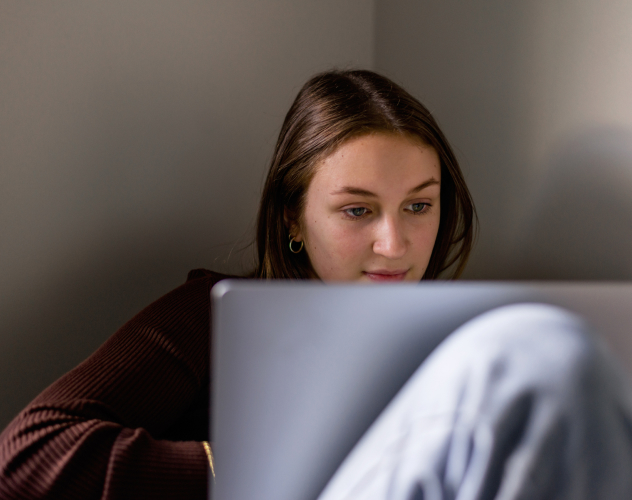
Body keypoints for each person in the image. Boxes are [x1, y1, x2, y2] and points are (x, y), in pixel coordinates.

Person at [0, 70, 630, 500]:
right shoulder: (211, 317)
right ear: (293, 219)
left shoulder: (460, 345)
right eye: (357, 210)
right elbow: (26, 457)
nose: (395, 243)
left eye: (418, 206)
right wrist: (257, 462)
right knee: (539, 347)